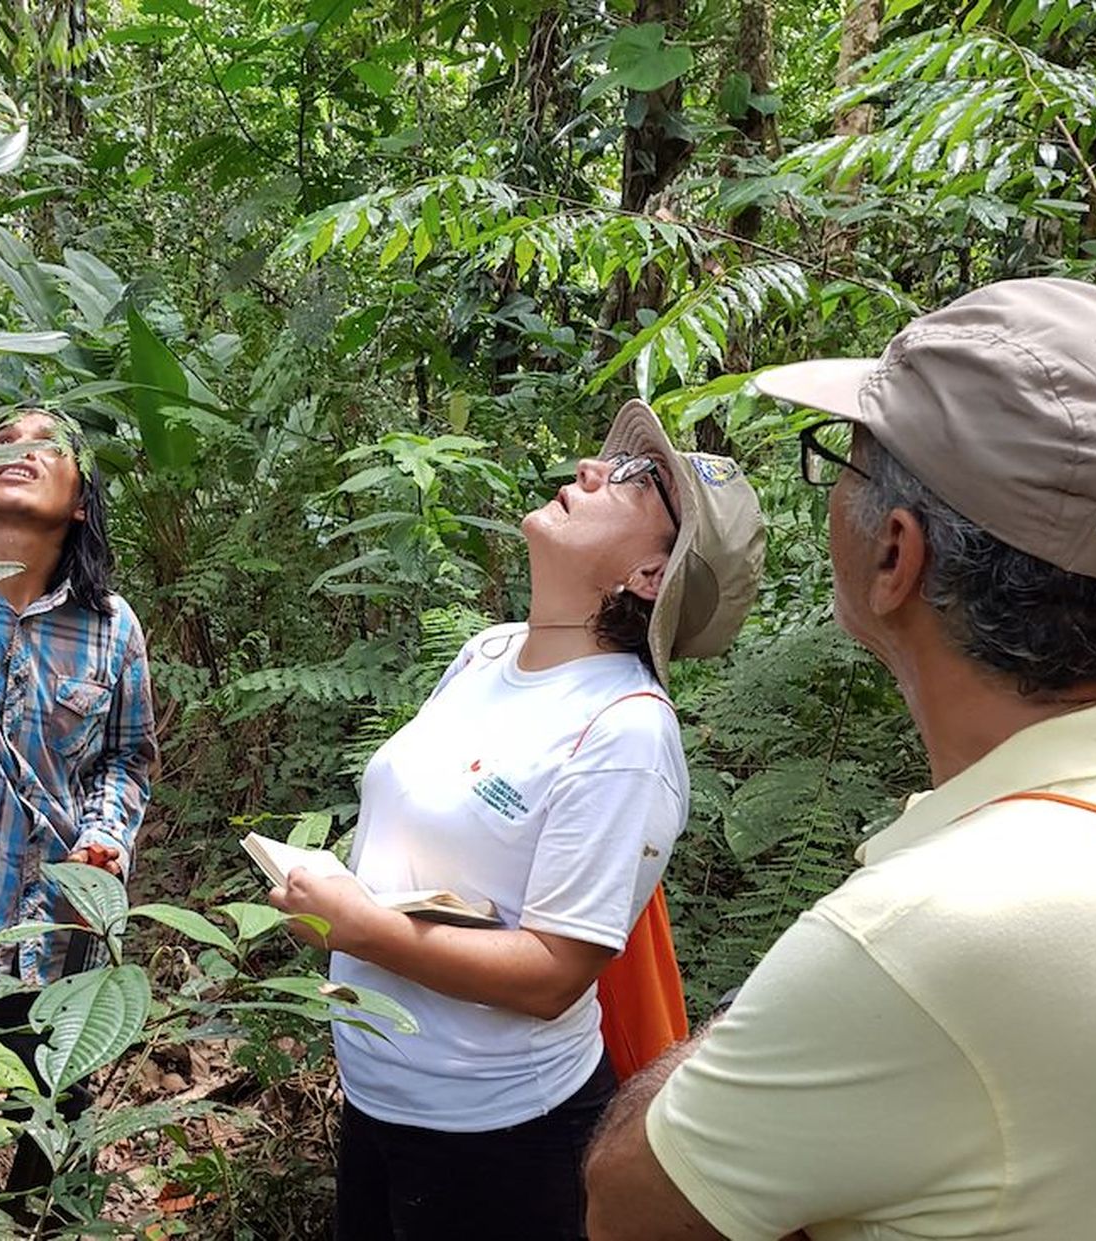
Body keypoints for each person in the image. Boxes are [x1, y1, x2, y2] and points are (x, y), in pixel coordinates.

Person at [584, 277, 1096, 1241]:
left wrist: (755, 1018)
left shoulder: (924, 938)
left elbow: (627, 1205)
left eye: (844, 457)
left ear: (895, 556)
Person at [270, 399, 766, 1241]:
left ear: (652, 573)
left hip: (499, 1140)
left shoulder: (626, 731)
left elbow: (552, 974)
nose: (591, 469)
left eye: (633, 479)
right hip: (379, 1099)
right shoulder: (488, 651)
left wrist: (358, 929)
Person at [0, 406, 158, 1198]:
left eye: (47, 443)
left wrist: (107, 839)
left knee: (55, 1139)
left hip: (50, 934)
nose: (21, 449)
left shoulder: (111, 627)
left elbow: (125, 758)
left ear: (80, 501)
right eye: (2, 441)